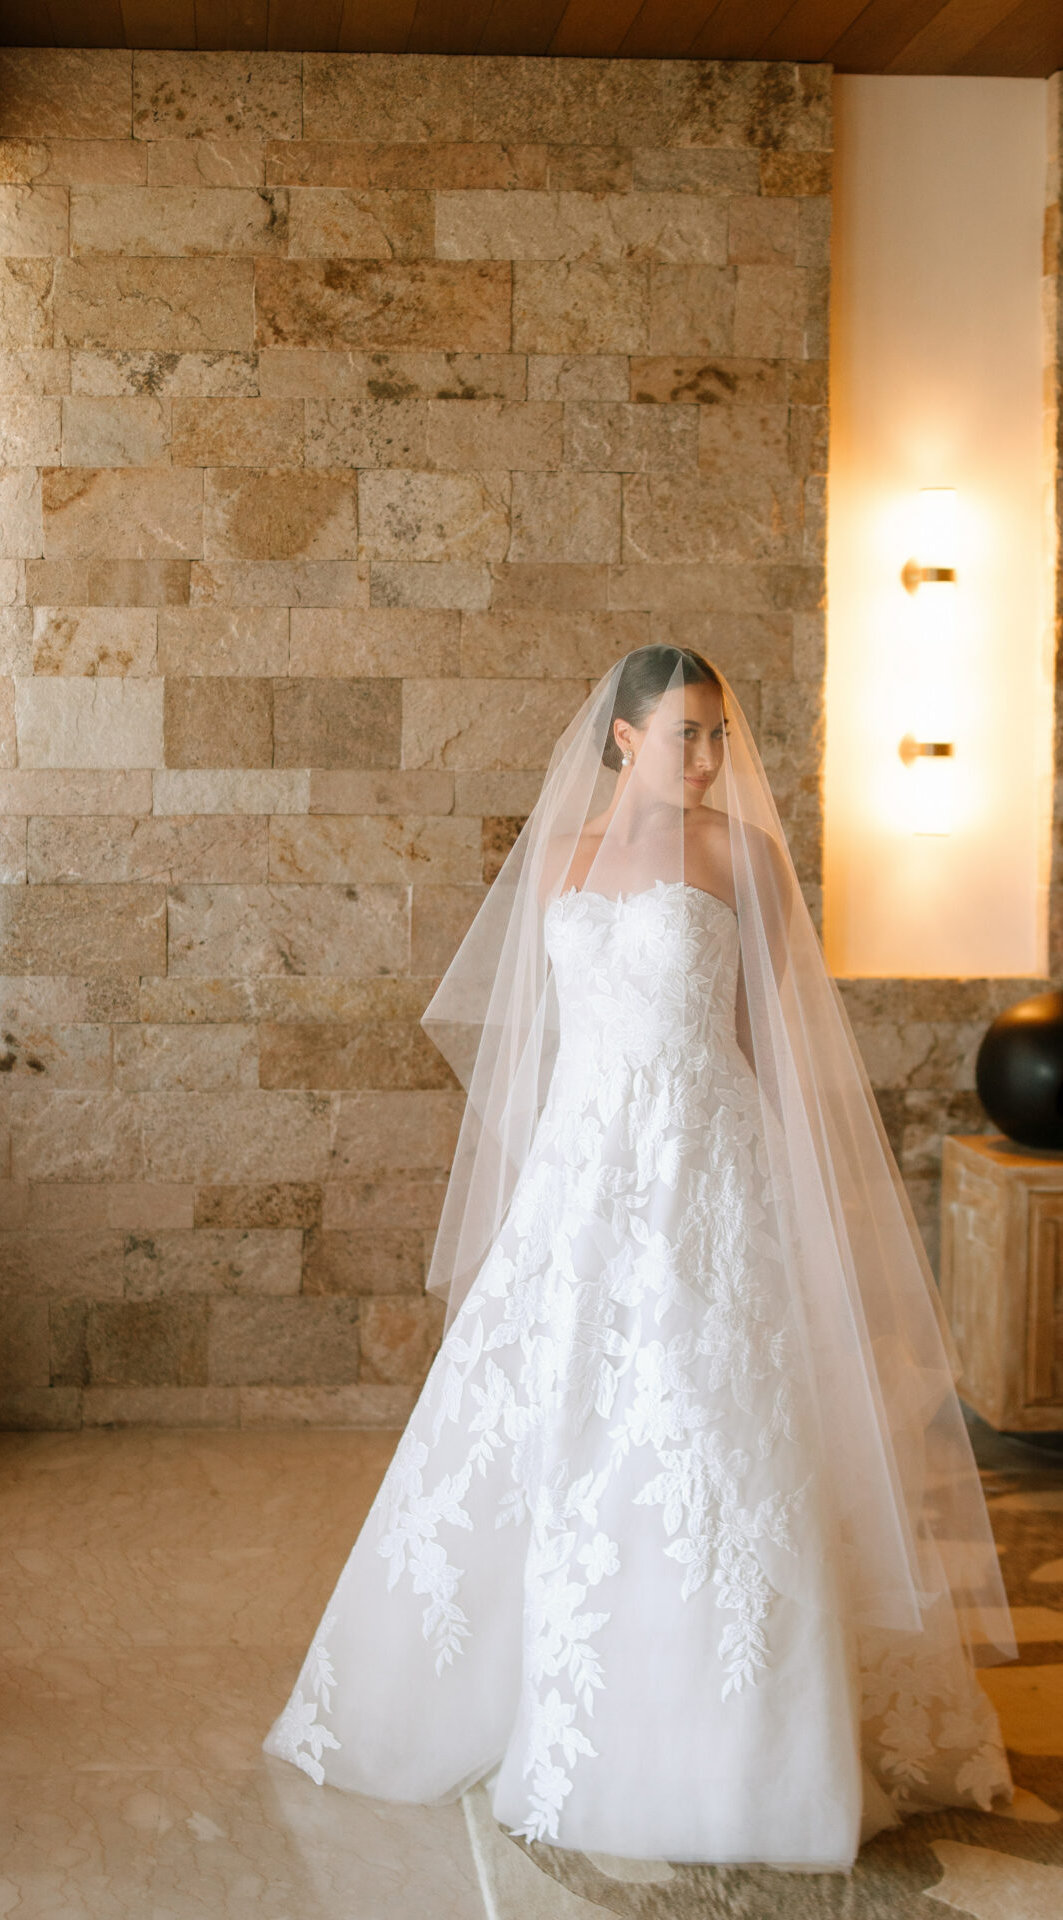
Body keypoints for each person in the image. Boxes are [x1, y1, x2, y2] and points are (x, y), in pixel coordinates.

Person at [262, 646, 1014, 1874]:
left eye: (719, 734)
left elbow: (765, 1043)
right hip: (581, 1174)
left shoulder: (745, 860)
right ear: (620, 740)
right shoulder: (558, 862)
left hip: (700, 1170)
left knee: (701, 1439)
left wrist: (767, 1206)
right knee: (548, 1427)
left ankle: (729, 1750)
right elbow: (548, 1048)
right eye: (685, 736)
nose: (711, 759)